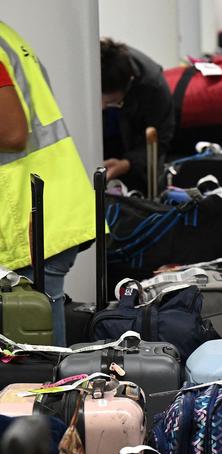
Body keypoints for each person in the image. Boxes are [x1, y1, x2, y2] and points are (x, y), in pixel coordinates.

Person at [0, 21, 97, 346]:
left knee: (35, 355)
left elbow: (12, 132)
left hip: (31, 217)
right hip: (39, 210)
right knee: (35, 345)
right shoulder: (7, 35)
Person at [100, 38, 175, 191]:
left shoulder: (154, 88)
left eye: (111, 102)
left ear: (127, 86)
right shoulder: (84, 69)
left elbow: (160, 140)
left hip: (133, 155)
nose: (101, 107)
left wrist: (127, 164)